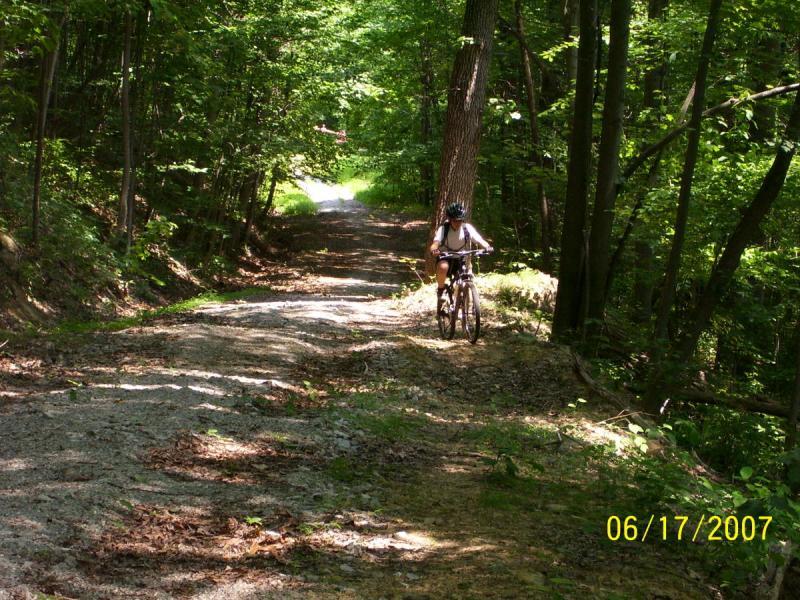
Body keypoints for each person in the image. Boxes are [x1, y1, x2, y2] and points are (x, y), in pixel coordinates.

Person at [429, 202, 492, 309]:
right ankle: (441, 291)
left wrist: (487, 246)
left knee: (465, 277)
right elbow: (435, 243)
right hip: (446, 257)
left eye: (460, 220)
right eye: (455, 220)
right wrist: (434, 249)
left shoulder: (467, 228)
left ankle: (462, 300)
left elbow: (479, 239)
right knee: (443, 267)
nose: (457, 223)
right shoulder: (443, 229)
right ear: (449, 219)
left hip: (460, 258)